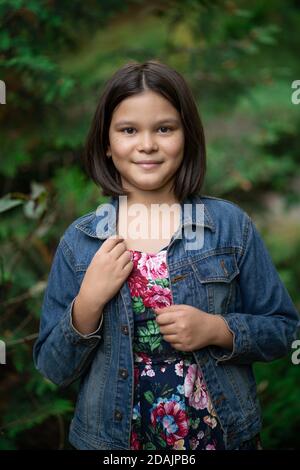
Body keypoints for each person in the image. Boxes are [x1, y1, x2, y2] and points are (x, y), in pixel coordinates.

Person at [33, 60, 299, 451]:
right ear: (106, 144)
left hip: (220, 439)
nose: (147, 144)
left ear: (186, 136)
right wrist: (87, 303)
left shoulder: (227, 226)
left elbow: (284, 332)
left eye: (164, 128)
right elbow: (54, 368)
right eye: (128, 130)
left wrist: (217, 330)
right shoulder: (81, 242)